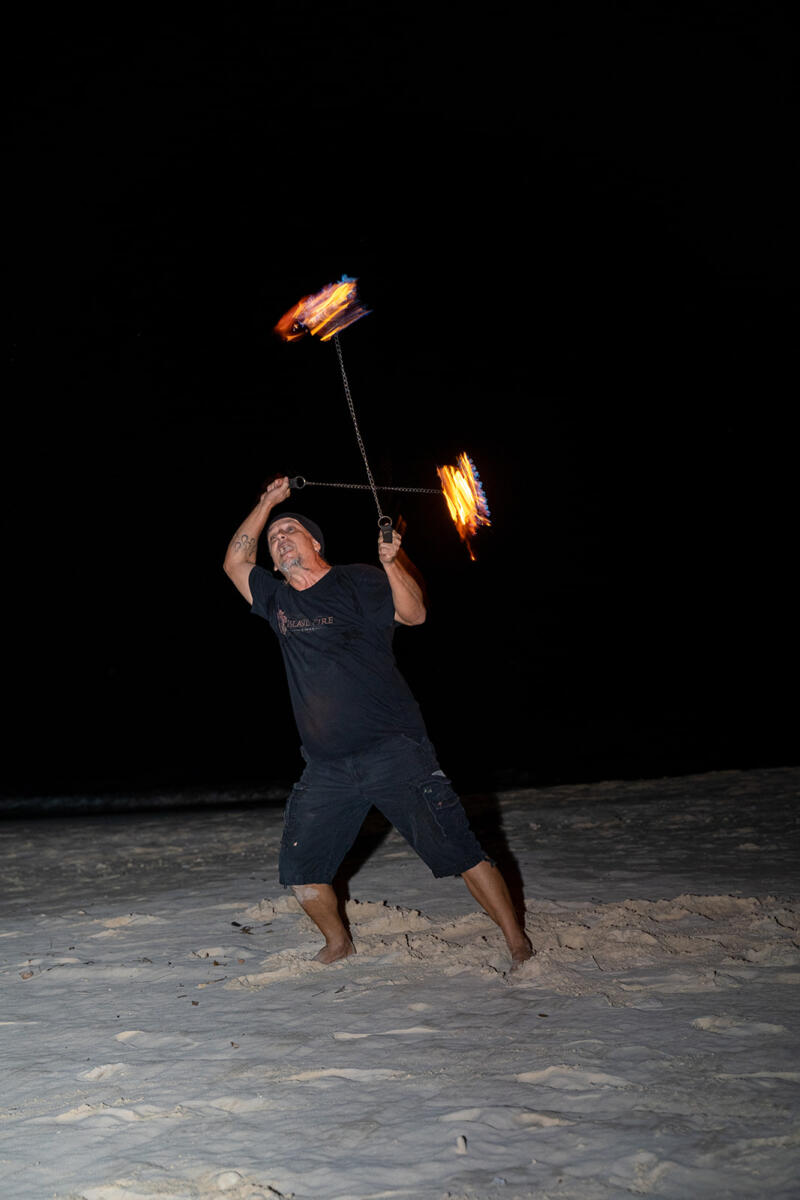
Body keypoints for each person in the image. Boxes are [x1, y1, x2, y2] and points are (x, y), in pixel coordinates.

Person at [223, 475, 532, 969]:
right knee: (301, 868)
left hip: (393, 750)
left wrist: (392, 563)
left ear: (315, 543)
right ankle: (338, 943)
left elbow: (414, 615)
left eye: (290, 531)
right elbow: (236, 562)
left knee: (460, 851)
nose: (279, 538)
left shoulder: (357, 580)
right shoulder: (278, 601)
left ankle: (517, 942)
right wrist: (267, 503)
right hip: (326, 766)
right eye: (274, 537)